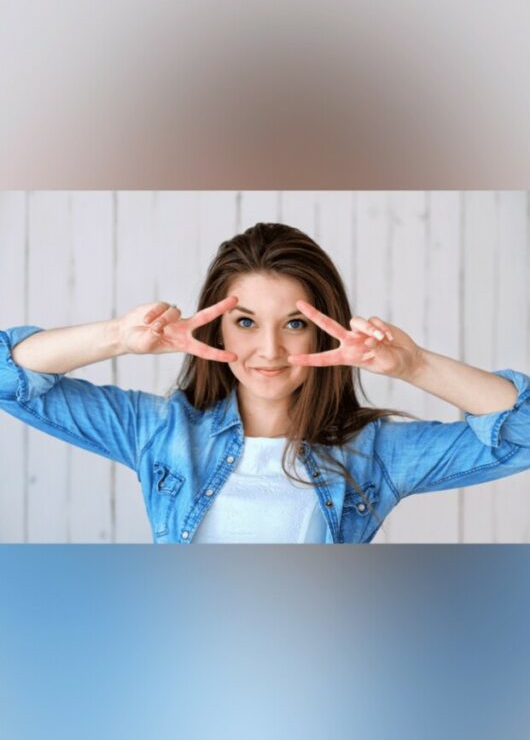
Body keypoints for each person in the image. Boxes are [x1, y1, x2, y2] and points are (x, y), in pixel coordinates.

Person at [1, 222, 529, 544]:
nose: (270, 351)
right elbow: (10, 377)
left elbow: (522, 431)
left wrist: (414, 366)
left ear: (324, 331)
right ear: (217, 326)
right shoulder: (158, 432)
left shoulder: (374, 455)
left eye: (295, 324)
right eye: (246, 322)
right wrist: (120, 335)